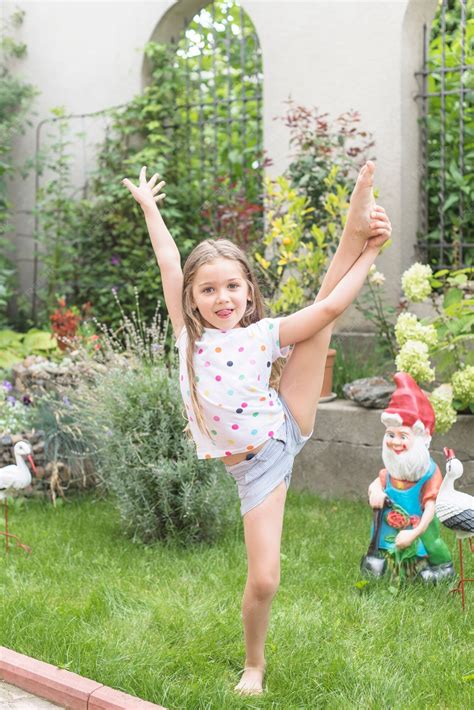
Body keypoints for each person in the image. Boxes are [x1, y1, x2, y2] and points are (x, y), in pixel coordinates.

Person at [123, 161, 392, 696]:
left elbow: (334, 303)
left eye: (231, 286)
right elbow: (168, 259)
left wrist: (371, 253)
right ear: (192, 299)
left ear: (248, 289)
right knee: (264, 578)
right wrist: (151, 209)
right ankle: (254, 663)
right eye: (208, 290)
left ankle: (354, 225)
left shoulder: (264, 333)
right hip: (253, 470)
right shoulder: (188, 337)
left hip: (280, 428)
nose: (221, 298)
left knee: (322, 317)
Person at [367, 372, 454, 581]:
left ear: (421, 438)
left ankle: (442, 566)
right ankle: (387, 562)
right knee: (384, 542)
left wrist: (413, 534)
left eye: (403, 436)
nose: (395, 442)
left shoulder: (429, 474)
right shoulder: (392, 469)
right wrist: (376, 491)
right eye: (391, 435)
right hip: (390, 527)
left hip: (418, 528)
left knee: (430, 542)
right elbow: (377, 483)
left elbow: (430, 511)